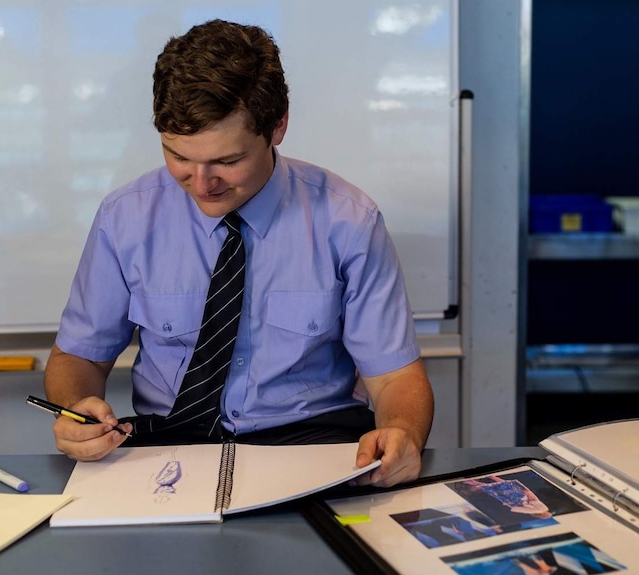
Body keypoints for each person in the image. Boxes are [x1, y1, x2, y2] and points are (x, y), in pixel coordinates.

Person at [43, 19, 434, 488]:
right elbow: (79, 358)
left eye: (227, 162)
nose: (202, 183)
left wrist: (403, 433)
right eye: (179, 156)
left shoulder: (349, 221)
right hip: (168, 449)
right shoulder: (124, 217)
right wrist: (77, 408)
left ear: (278, 126)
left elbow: (395, 379)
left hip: (314, 447)